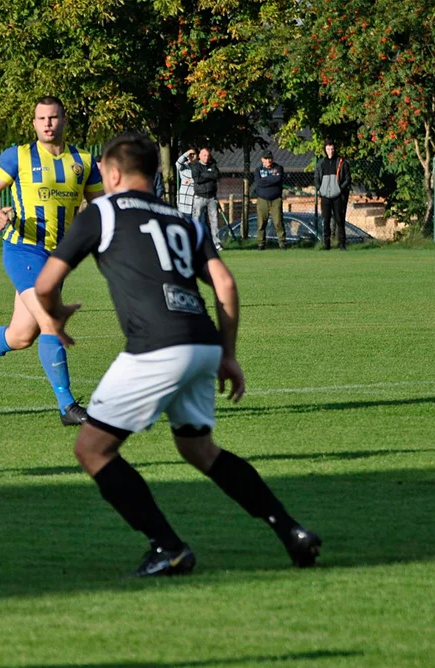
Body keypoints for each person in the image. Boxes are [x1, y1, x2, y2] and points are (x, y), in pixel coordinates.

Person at [33, 132, 321, 577]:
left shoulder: (101, 212)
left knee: (93, 450)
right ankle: (291, 530)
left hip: (156, 346)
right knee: (199, 449)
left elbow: (45, 285)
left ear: (111, 174)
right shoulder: (182, 219)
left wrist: (54, 319)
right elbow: (224, 284)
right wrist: (227, 353)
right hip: (202, 341)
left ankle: (167, 547)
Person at [0, 96, 103, 425]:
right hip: (23, 250)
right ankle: (67, 406)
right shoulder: (19, 156)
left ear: (64, 120)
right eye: (41, 118)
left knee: (21, 336)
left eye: (53, 117)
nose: (48, 124)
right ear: (34, 123)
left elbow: (100, 205)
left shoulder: (83, 161)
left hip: (57, 259)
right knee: (50, 321)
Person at [314, 140, 352, 250]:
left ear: (335, 149)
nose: (330, 151)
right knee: (325, 221)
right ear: (325, 150)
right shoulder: (321, 163)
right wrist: (320, 189)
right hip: (325, 196)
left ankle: (342, 244)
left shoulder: (341, 162)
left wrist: (340, 189)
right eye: (328, 149)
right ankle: (326, 245)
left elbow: (348, 178)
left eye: (332, 149)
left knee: (339, 220)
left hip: (338, 197)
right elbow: (316, 177)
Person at [190, 146, 222, 250]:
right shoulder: (195, 166)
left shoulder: (213, 165)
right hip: (199, 197)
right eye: (204, 155)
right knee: (197, 220)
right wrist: (209, 175)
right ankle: (195, 243)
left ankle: (216, 243)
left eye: (208, 155)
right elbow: (198, 179)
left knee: (214, 221)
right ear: (199, 156)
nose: (206, 157)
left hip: (212, 198)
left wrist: (205, 175)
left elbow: (216, 175)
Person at [252, 150, 286, 250]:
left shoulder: (278, 168)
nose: (268, 160)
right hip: (262, 199)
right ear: (262, 159)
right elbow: (258, 182)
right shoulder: (258, 170)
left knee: (278, 222)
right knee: (261, 223)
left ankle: (282, 243)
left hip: (276, 199)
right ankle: (261, 243)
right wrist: (271, 179)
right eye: (266, 158)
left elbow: (278, 179)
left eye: (270, 158)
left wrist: (265, 180)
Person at [175, 147, 197, 215]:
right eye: (190, 154)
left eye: (194, 154)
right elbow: (177, 163)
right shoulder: (183, 166)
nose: (192, 156)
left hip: (196, 202)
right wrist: (187, 153)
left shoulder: (200, 167)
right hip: (184, 203)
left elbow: (204, 178)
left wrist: (192, 180)